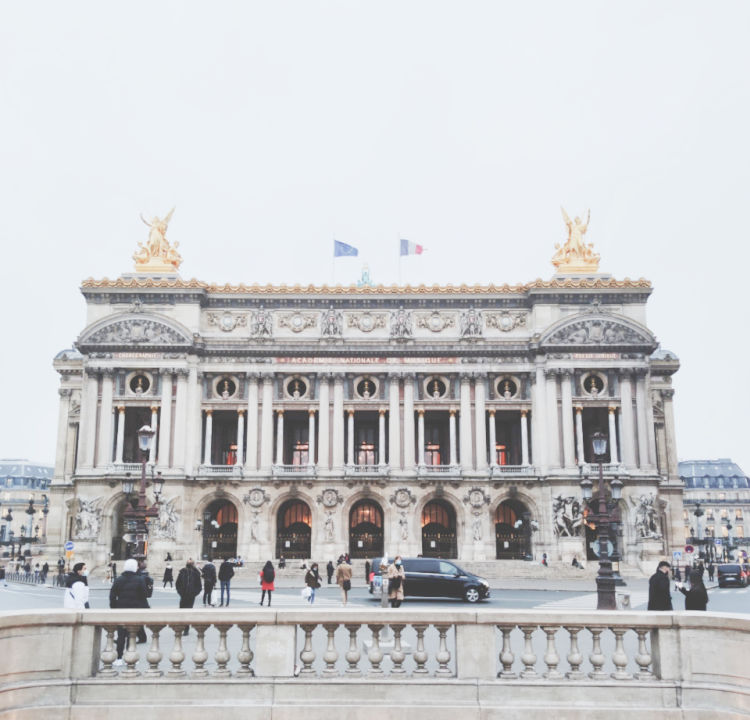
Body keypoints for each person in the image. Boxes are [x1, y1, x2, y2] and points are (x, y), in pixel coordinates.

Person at [109, 558, 149, 665]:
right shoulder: (140, 579)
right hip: (134, 610)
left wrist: (114, 608)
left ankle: (118, 658)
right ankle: (130, 656)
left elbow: (112, 596)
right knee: (131, 634)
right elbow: (144, 595)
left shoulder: (119, 579)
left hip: (121, 609)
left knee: (121, 635)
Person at [175, 558, 202, 635]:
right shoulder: (182, 571)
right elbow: (177, 583)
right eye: (188, 562)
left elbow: (199, 586)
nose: (189, 563)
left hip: (191, 595)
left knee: (188, 611)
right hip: (183, 595)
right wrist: (180, 592)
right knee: (182, 611)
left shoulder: (196, 573)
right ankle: (182, 626)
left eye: (190, 562)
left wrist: (194, 593)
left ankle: (186, 628)